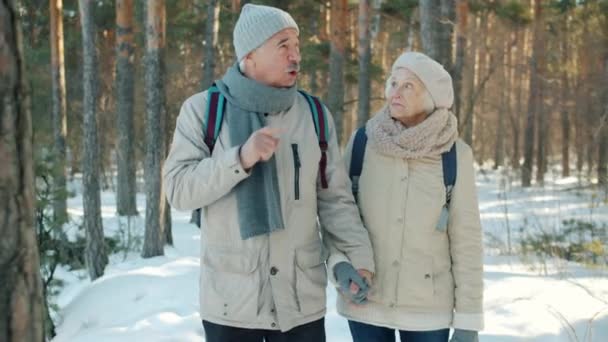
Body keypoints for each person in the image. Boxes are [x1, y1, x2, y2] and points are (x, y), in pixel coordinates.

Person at [162, 4, 374, 342]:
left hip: (300, 305)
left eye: (297, 45)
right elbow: (179, 190)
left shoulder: (314, 114)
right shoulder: (203, 110)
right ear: (250, 55)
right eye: (283, 45)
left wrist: (358, 260)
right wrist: (240, 159)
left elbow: (335, 201)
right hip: (232, 306)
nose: (295, 56)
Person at [327, 51, 484, 342]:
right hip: (365, 302)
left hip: (428, 312)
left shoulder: (455, 155)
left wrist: (468, 319)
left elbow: (467, 241)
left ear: (431, 97)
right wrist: (340, 264)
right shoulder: (363, 142)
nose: (394, 92)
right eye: (393, 82)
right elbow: (339, 214)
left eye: (408, 86)